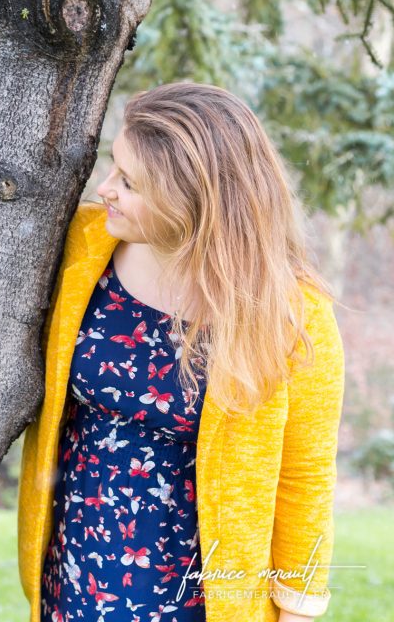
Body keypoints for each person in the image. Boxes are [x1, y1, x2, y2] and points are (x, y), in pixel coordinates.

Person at [17, 82, 344, 622]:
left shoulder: (292, 311)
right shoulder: (83, 245)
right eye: (113, 168)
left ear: (191, 198)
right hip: (73, 579)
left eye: (129, 182)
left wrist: (298, 610)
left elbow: (305, 476)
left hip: (198, 599)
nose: (104, 190)